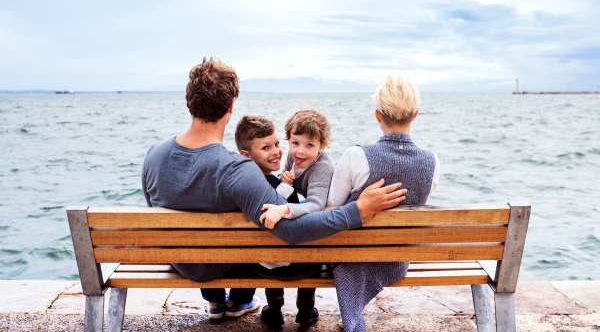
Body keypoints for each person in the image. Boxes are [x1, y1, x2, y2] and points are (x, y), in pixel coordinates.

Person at [141, 57, 408, 321]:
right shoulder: (238, 170)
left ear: (189, 100)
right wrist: (358, 210)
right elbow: (290, 232)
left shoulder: (154, 155)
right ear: (232, 105)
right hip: (221, 263)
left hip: (179, 261)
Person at [326, 75, 439, 332]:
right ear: (415, 114)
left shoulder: (356, 156)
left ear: (377, 115)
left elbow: (331, 208)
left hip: (351, 257)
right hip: (396, 260)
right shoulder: (433, 162)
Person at [235, 111, 334, 327]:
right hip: (301, 264)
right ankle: (305, 310)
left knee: (272, 241)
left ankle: (277, 308)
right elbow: (285, 193)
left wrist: (283, 205)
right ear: (290, 138)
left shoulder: (323, 168)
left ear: (323, 146)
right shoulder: (291, 157)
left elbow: (314, 204)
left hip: (265, 264)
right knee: (308, 242)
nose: (299, 151)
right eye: (295, 142)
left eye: (310, 145)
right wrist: (285, 183)